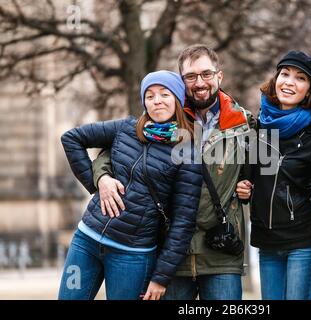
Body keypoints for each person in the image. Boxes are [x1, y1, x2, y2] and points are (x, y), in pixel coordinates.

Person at [90, 44, 256, 300]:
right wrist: (103, 178)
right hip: (170, 255)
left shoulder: (245, 125)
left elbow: (257, 179)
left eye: (206, 74)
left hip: (220, 252)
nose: (199, 82)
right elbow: (112, 155)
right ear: (182, 82)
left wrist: (248, 191)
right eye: (191, 77)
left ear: (219, 77)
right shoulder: (162, 118)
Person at [58, 71, 203, 300]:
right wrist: (99, 182)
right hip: (86, 242)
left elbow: (183, 222)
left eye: (164, 94)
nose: (157, 101)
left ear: (177, 99)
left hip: (132, 255)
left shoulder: (188, 153)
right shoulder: (126, 128)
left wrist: (161, 277)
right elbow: (72, 138)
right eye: (150, 95)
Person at [235, 51, 311, 300]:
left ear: (309, 90)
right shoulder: (258, 127)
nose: (289, 82)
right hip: (267, 241)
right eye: (285, 74)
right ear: (276, 78)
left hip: (303, 240)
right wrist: (244, 189)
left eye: (300, 78)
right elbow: (250, 179)